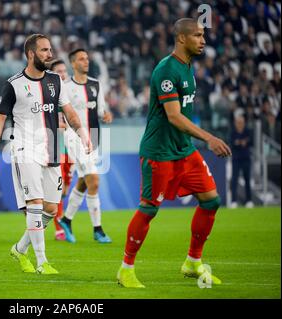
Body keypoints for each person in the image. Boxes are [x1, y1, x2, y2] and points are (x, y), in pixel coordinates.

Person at [117, 18, 232, 288]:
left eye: (203, 35)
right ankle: (126, 269)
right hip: (159, 153)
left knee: (211, 200)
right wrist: (209, 138)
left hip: (183, 150)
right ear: (181, 38)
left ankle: (193, 261)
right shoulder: (167, 70)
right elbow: (174, 116)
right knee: (148, 210)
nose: (203, 40)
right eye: (197, 35)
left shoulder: (188, 67)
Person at [0, 34, 91, 275]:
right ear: (31, 54)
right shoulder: (13, 84)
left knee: (52, 209)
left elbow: (70, 112)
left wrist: (83, 133)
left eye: (50, 49)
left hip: (52, 147)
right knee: (35, 203)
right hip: (25, 148)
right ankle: (42, 262)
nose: (49, 54)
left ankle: (20, 249)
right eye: (44, 50)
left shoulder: (56, 80)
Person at [57, 48, 113, 244]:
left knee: (83, 180)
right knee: (94, 181)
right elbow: (60, 111)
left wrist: (106, 115)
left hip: (94, 137)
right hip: (74, 137)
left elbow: (101, 109)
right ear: (73, 64)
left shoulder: (95, 85)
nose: (86, 61)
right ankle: (98, 229)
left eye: (87, 58)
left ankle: (66, 219)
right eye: (81, 59)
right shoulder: (65, 87)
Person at [49, 59, 73, 241]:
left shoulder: (73, 91)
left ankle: (57, 218)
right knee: (56, 188)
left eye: (64, 71)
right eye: (58, 71)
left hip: (73, 146)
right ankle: (59, 228)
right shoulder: (49, 93)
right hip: (55, 145)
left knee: (64, 190)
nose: (63, 74)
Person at [230, 115, 253, 208]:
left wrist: (240, 142)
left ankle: (249, 200)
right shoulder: (233, 132)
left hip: (246, 158)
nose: (240, 124)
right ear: (235, 123)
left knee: (247, 179)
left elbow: (251, 142)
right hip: (236, 159)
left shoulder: (248, 131)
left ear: (244, 123)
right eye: (238, 122)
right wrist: (241, 143)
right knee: (234, 180)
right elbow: (232, 143)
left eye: (241, 123)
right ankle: (233, 201)